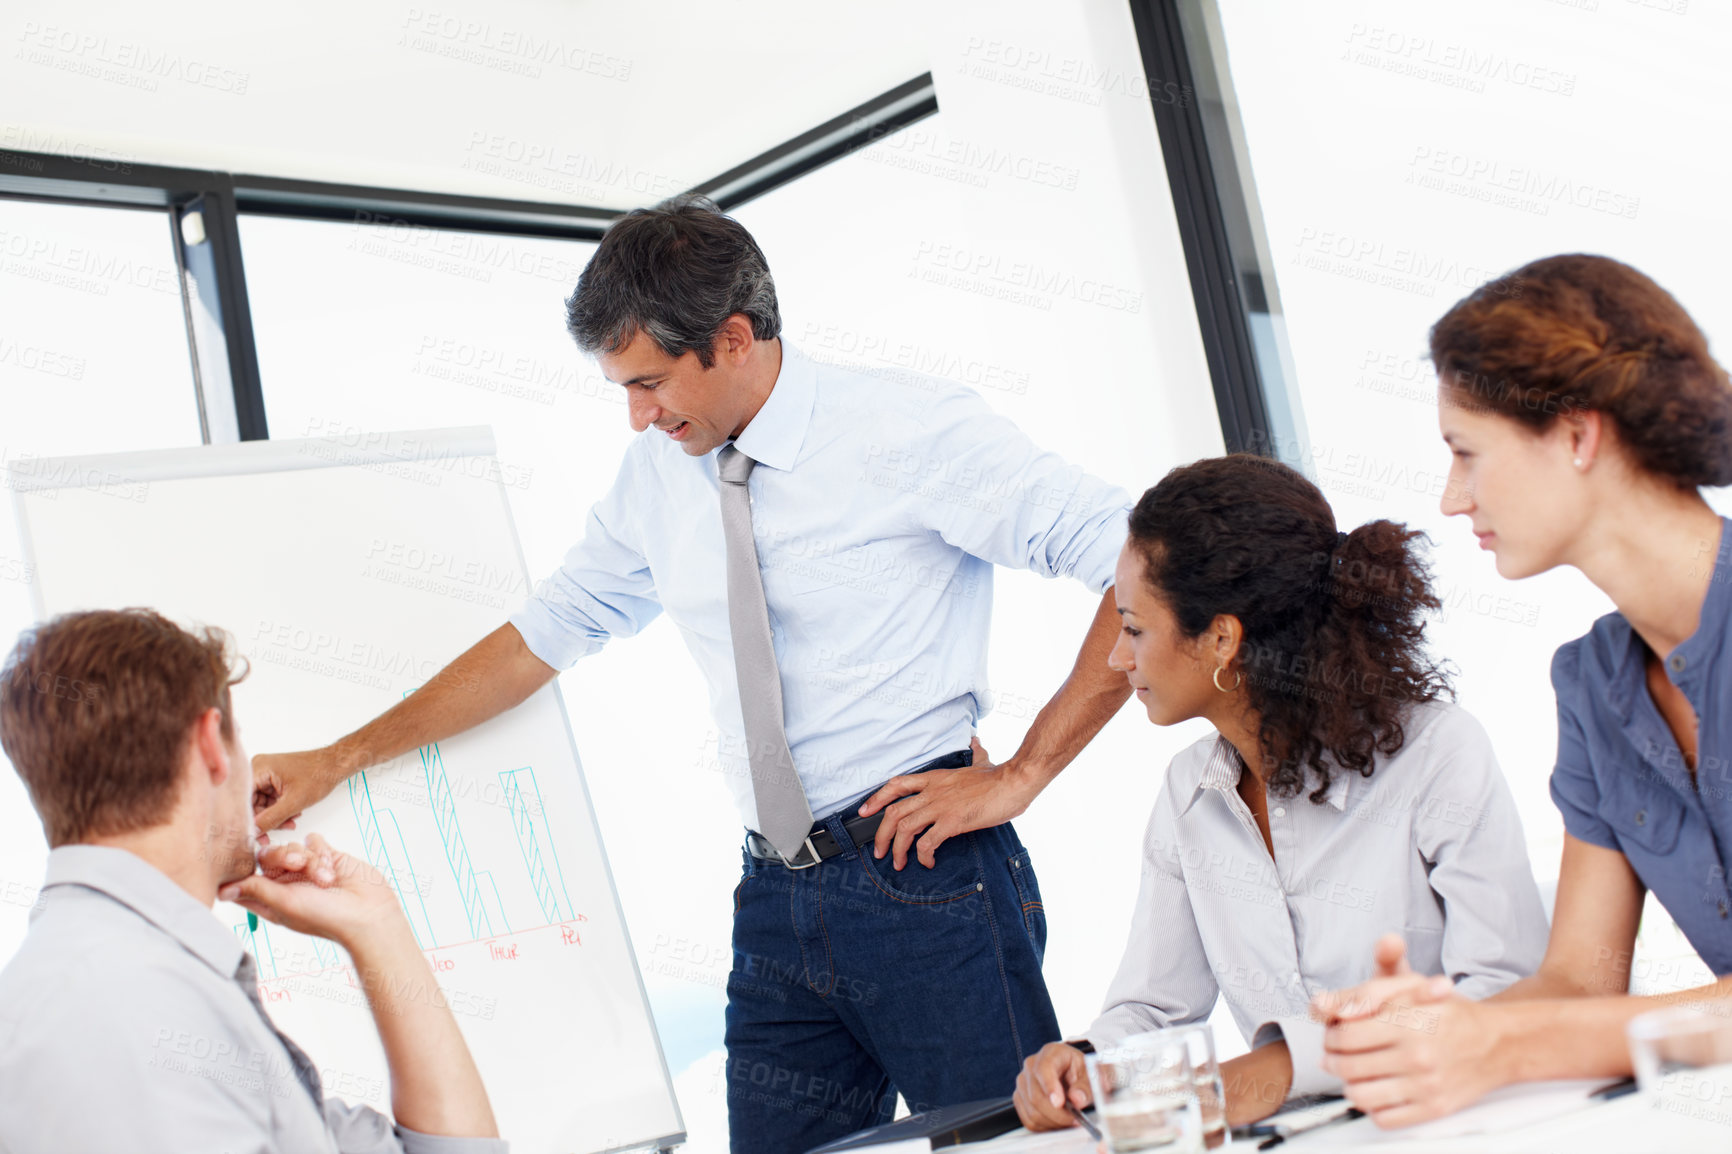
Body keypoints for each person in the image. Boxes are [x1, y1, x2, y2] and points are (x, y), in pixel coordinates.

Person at [249, 196, 1136, 1153]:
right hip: (774, 900)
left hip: (926, 881)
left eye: (651, 382)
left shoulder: (908, 430)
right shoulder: (660, 473)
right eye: (622, 389)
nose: (638, 417)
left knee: (1017, 1150)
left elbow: (1139, 559)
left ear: (736, 338)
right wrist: (341, 756)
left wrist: (1025, 772)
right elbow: (542, 635)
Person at [1011, 455, 1548, 1134]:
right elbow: (1155, 1008)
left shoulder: (1438, 755)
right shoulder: (1187, 791)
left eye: (1134, 628)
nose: (1119, 659)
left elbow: (1505, 996)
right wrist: (1089, 1063)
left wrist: (1289, 1065)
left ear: (1222, 639)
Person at [1317, 253, 1732, 1127]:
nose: (1451, 497)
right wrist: (1438, 1030)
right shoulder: (1592, 683)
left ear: (1577, 436)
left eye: (1467, 452)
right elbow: (1579, 981)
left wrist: (1507, 1049)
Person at [0, 608, 503, 1153]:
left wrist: (375, 925)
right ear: (211, 744)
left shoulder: (124, 984)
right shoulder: (125, 1012)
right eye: (242, 740)